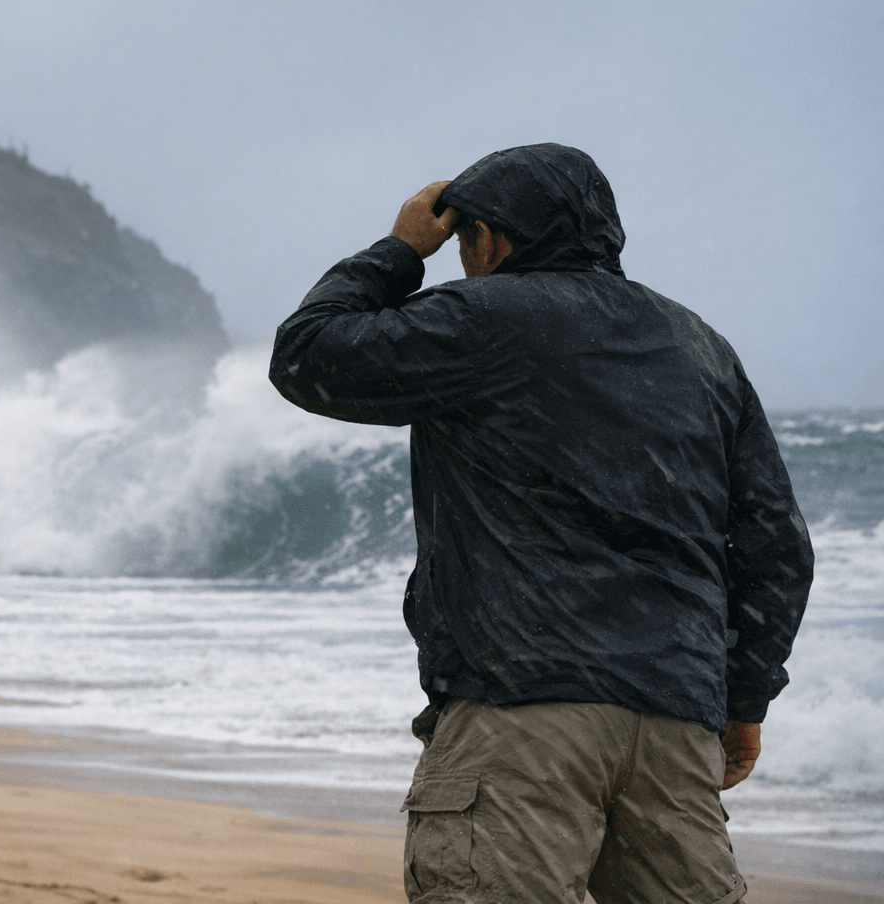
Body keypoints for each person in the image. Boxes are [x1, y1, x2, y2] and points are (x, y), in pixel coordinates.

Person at [269, 144, 813, 903]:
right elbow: (777, 548)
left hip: (521, 711)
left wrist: (397, 251)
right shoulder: (701, 349)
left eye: (464, 240)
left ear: (490, 238)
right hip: (676, 721)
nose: (461, 257)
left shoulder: (482, 319)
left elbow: (307, 358)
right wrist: (745, 700)